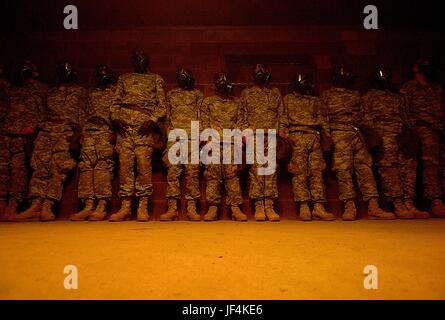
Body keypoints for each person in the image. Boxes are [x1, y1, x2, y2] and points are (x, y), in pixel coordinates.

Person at [13, 61, 89, 222]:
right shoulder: (50, 92)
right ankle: (35, 204)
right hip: (46, 132)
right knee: (39, 168)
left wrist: (77, 137)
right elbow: (42, 114)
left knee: (58, 170)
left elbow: (83, 116)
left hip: (65, 132)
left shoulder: (80, 91)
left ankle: (48, 205)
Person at [321, 67, 394, 221]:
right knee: (343, 170)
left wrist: (372, 134)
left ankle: (373, 206)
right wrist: (327, 137)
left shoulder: (355, 95)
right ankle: (349, 206)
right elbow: (324, 117)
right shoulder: (327, 95)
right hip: (339, 133)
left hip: (356, 133)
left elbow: (364, 117)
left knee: (364, 168)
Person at [363, 69, 429, 219]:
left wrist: (409, 134)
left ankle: (409, 202)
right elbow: (366, 119)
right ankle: (397, 202)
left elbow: (407, 117)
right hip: (383, 136)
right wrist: (376, 136)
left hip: (401, 135)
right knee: (389, 169)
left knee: (409, 167)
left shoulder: (398, 97)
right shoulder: (368, 97)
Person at [110, 51, 166, 222]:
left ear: (148, 61)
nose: (140, 62)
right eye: (137, 59)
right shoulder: (124, 78)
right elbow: (115, 102)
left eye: (143, 59)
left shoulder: (156, 79)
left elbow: (162, 106)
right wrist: (115, 117)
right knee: (125, 166)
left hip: (145, 129)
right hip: (125, 128)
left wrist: (152, 119)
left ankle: (143, 206)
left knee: (143, 166)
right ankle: (125, 207)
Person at [281, 74, 335, 221]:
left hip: (314, 137)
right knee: (299, 173)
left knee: (317, 171)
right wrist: (286, 139)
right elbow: (282, 121)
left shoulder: (316, 101)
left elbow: (323, 121)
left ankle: (318, 207)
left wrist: (327, 139)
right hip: (296, 137)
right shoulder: (287, 100)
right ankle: (303, 206)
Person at [0, 61, 47, 221]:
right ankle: (2, 203)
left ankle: (14, 204)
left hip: (23, 135)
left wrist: (33, 126)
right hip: (6, 131)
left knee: (18, 170)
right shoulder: (10, 88)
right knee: (3, 169)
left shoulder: (40, 89)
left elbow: (44, 112)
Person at [199, 73, 247, 222]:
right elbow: (203, 122)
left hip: (231, 144)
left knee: (232, 175)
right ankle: (212, 208)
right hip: (213, 143)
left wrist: (239, 143)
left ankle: (235, 208)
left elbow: (242, 123)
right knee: (212, 176)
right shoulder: (208, 102)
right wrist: (206, 142)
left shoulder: (237, 103)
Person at [70, 65, 116, 221]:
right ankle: (88, 204)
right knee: (86, 167)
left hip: (105, 132)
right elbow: (83, 114)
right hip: (89, 132)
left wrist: (115, 133)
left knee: (103, 166)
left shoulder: (116, 92)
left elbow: (120, 114)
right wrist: (81, 133)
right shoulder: (90, 93)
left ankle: (101, 205)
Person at [400, 60, 445, 218]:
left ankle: (438, 198)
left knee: (437, 165)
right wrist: (411, 130)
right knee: (427, 164)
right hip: (421, 129)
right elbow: (405, 111)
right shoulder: (409, 88)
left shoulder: (436, 87)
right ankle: (434, 200)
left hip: (438, 129)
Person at [240, 64, 284, 222]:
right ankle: (259, 205)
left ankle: (269, 205)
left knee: (270, 170)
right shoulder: (246, 93)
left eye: (262, 72)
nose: (259, 75)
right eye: (256, 72)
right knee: (256, 171)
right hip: (254, 136)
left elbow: (281, 115)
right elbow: (242, 115)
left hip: (271, 136)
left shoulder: (275, 93)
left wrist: (281, 134)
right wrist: (245, 133)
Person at [159, 68, 203, 221]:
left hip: (192, 138)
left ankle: (192, 208)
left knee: (192, 173)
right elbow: (167, 118)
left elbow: (201, 116)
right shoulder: (171, 95)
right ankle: (172, 208)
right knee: (173, 173)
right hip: (175, 137)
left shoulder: (198, 95)